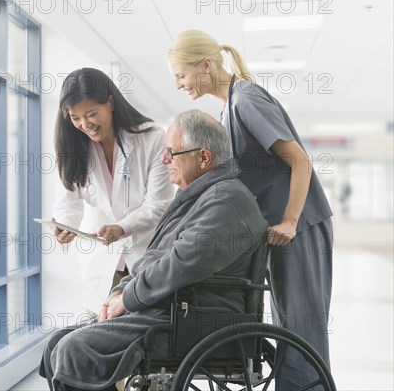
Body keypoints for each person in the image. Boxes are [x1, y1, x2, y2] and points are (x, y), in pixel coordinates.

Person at [39, 109, 268, 390]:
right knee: (55, 343)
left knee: (74, 349)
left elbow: (180, 264)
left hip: (193, 317)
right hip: (170, 308)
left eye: (171, 153)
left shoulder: (226, 202)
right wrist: (119, 292)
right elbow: (153, 258)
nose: (163, 159)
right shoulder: (198, 197)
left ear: (204, 158)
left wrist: (128, 298)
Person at [166, 29, 334, 389]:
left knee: (301, 326)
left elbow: (300, 161)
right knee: (289, 322)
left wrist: (289, 221)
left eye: (181, 75)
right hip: (280, 230)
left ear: (206, 65)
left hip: (300, 224)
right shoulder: (228, 107)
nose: (179, 84)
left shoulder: (247, 100)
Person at [51, 67, 174, 313]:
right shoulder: (72, 145)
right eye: (75, 118)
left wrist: (122, 228)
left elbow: (159, 204)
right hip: (101, 261)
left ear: (110, 103)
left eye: (91, 114)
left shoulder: (152, 137)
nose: (85, 124)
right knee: (97, 331)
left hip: (145, 255)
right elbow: (68, 201)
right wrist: (64, 225)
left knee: (139, 335)